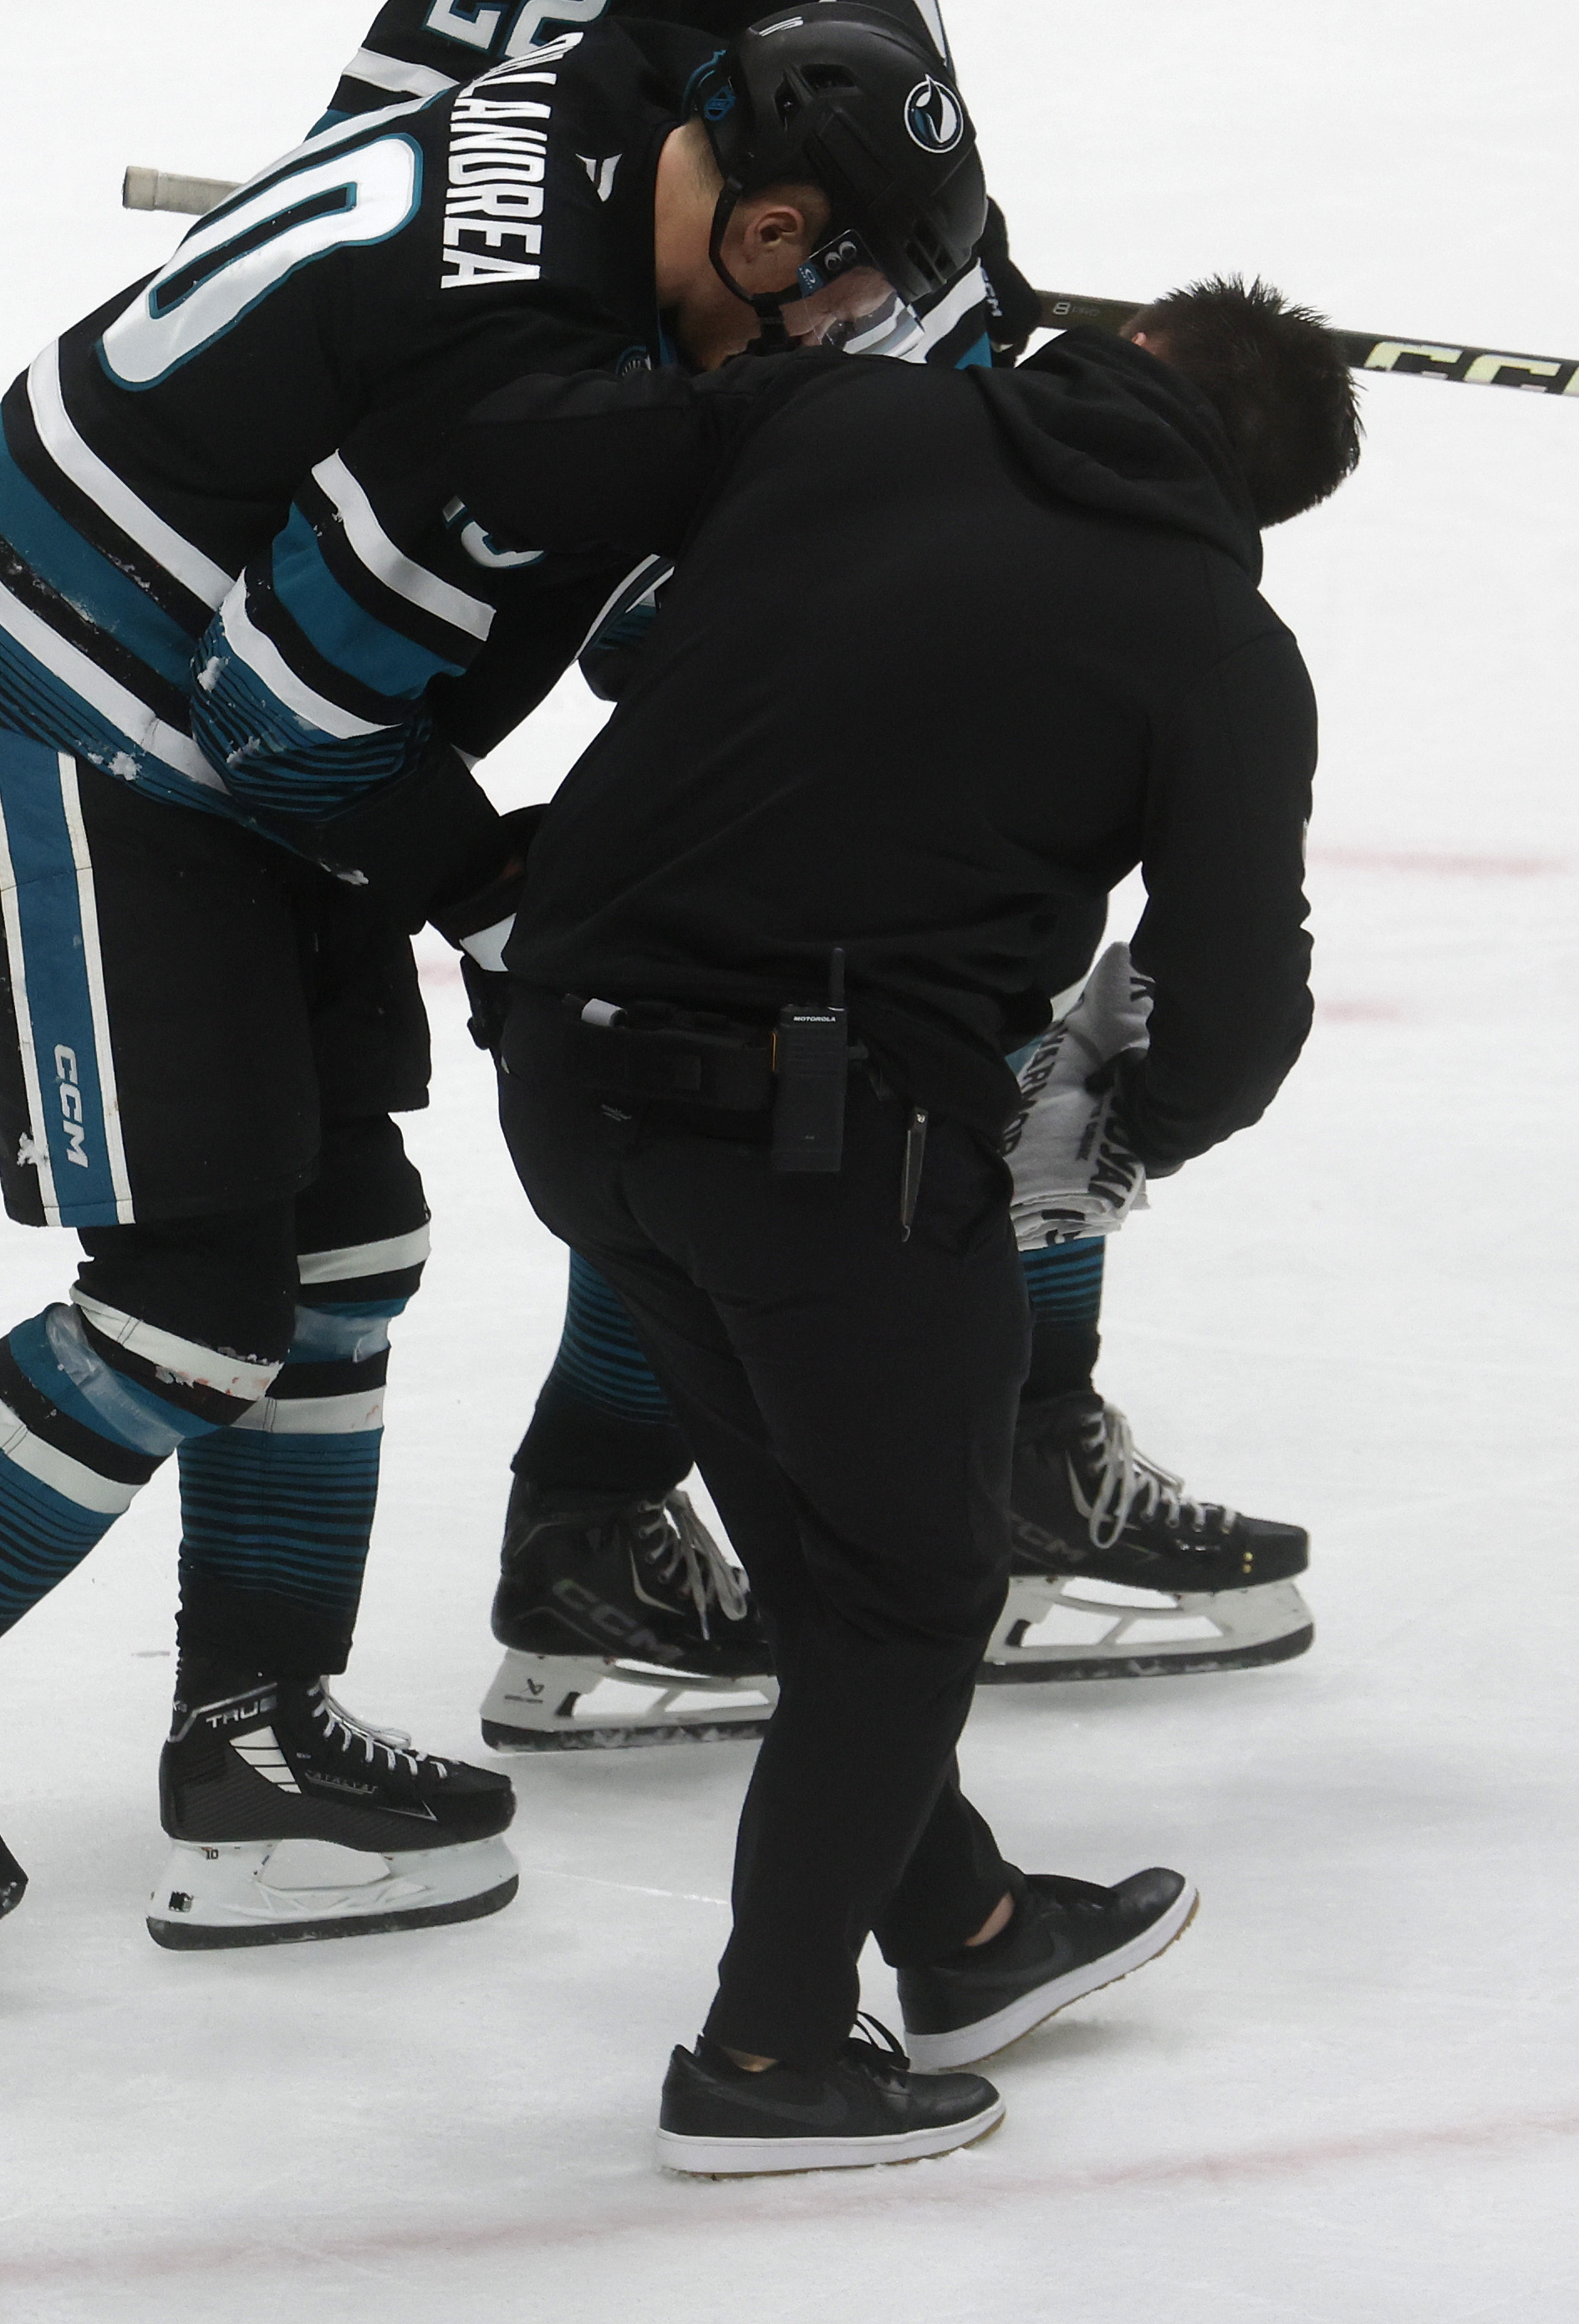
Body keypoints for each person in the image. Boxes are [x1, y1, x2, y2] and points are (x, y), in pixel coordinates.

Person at [0, 0, 988, 1971]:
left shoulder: (613, 123)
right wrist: (490, 893)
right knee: (192, 1293)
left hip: (195, 687)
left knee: (342, 1248)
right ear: (770, 232)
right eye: (846, 287)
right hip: (68, 704)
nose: (836, 336)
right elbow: (296, 714)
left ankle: (255, 1742)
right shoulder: (519, 399)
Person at [310, 0, 1316, 1755]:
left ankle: (827, 1470)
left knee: (980, 938)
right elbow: (436, 169)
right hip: (771, 467)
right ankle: (756, 1498)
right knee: (871, 983)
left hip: (928, 395)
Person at [456, 236, 1358, 2169]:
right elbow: (1239, 1002)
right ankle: (767, 2058)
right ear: (1257, 503)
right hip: (813, 1140)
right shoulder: (1212, 639)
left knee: (820, 1539)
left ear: (1117, 344)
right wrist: (1125, 1136)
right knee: (916, 1587)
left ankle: (961, 1926)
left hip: (566, 1075)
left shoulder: (848, 412)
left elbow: (608, 492)